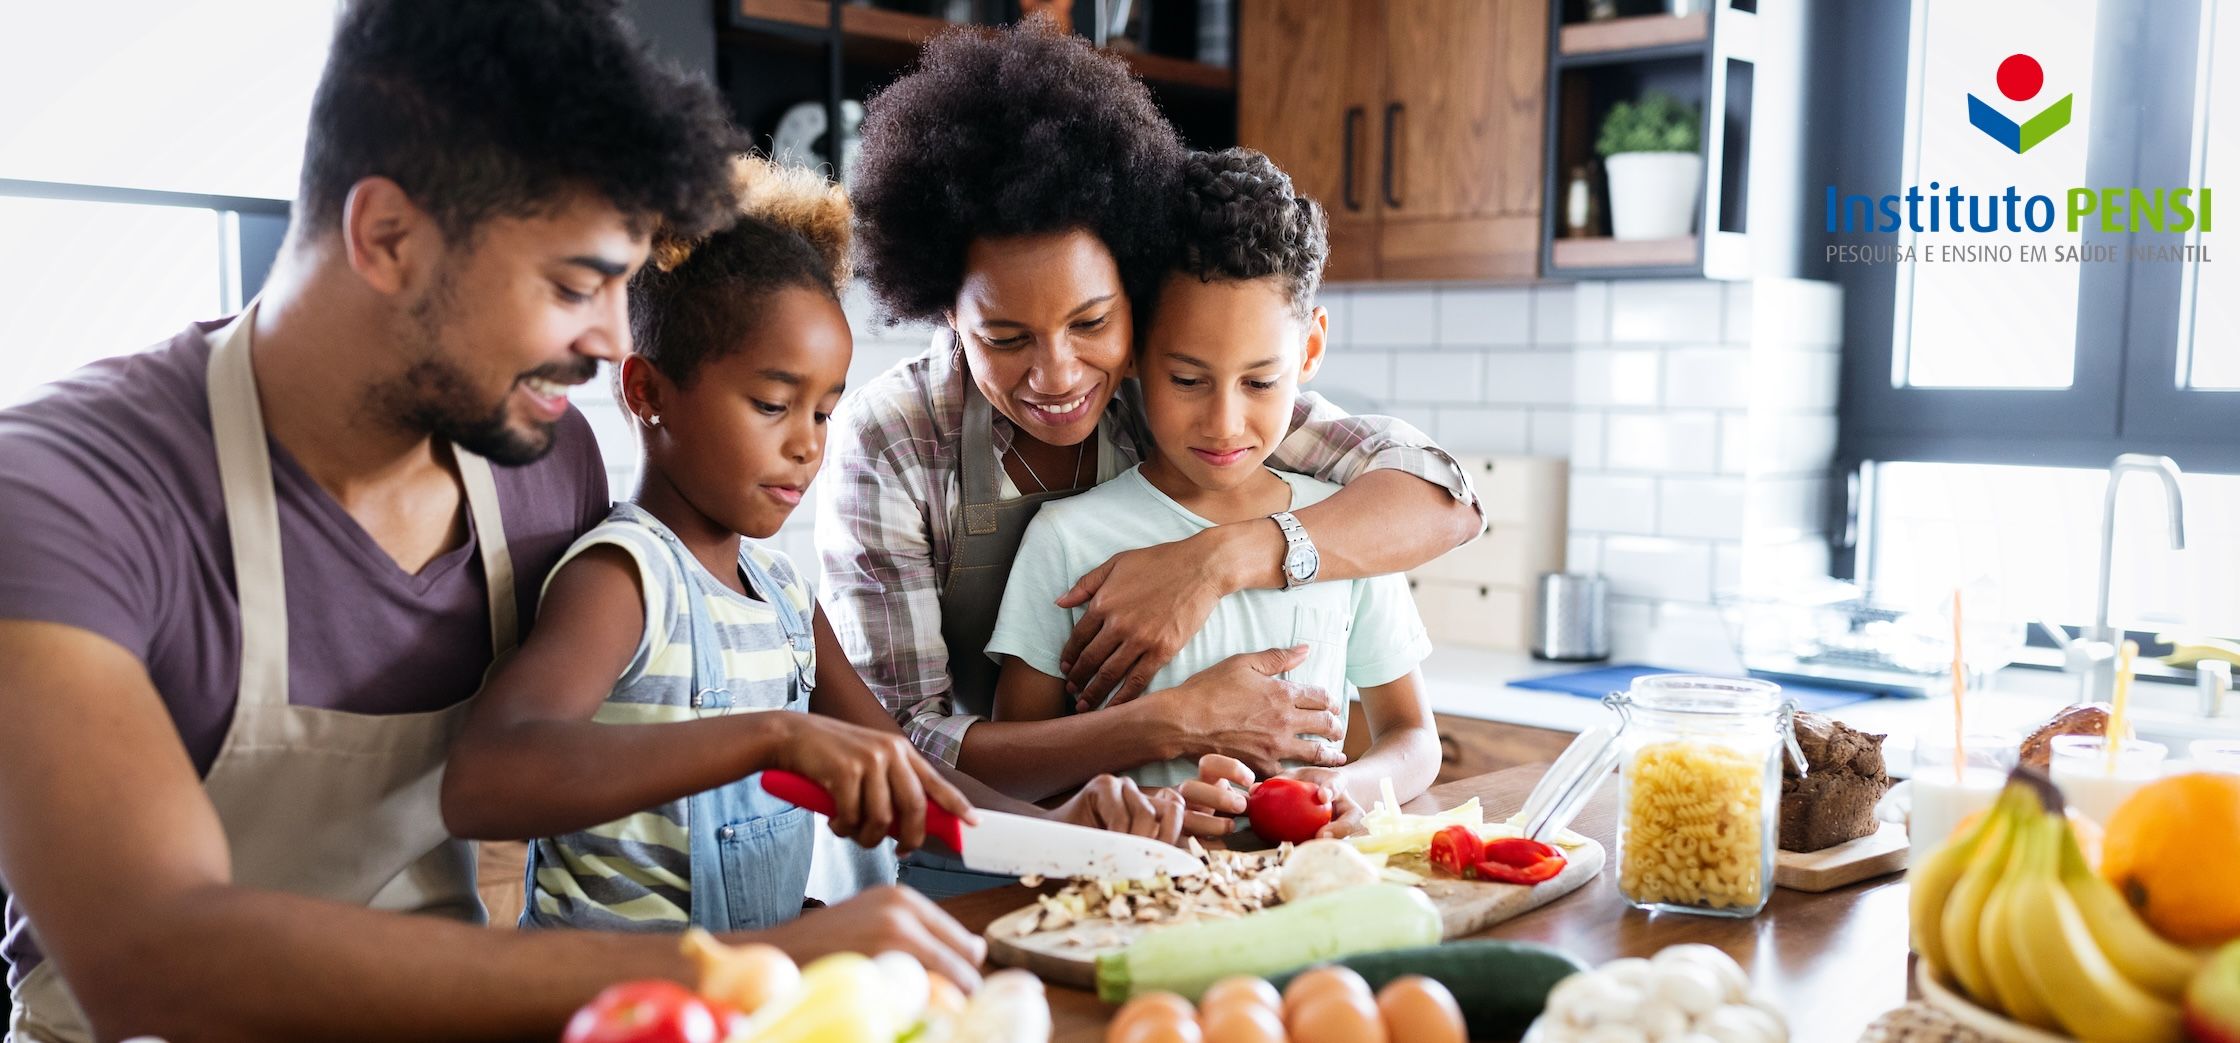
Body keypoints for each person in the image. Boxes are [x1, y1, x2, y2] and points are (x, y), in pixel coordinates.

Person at [0, 5, 979, 1040]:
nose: (611, 341)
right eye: (575, 284)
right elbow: (150, 959)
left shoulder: (542, 463)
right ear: (387, 237)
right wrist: (744, 961)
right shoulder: (62, 490)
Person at [440, 157, 1186, 935]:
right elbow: (484, 781)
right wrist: (773, 736)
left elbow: (912, 779)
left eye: (824, 411)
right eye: (773, 404)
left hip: (749, 987)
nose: (808, 445)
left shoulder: (783, 598)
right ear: (647, 392)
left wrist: (1066, 832)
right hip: (614, 991)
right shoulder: (625, 579)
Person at [825, 23, 1483, 813]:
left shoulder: (1180, 393)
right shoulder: (893, 439)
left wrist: (1213, 562)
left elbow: (1443, 497)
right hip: (937, 847)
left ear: (1134, 314)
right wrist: (1171, 722)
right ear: (945, 309)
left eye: (1092, 322)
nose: (1059, 376)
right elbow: (900, 744)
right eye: (1005, 337)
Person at [989, 149, 1441, 836]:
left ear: (1310, 349)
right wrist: (1135, 807)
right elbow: (1015, 775)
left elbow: (1413, 737)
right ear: (1134, 351)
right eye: (1188, 380)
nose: (1225, 422)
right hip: (1133, 885)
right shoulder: (1067, 539)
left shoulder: (1344, 528)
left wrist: (1348, 785)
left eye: (1260, 382)